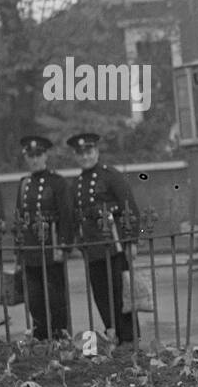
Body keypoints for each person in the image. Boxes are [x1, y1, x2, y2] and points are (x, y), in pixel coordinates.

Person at [68, 132, 141, 344]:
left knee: (121, 292)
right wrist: (79, 243)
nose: (85, 157)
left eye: (89, 151)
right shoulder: (77, 183)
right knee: (101, 293)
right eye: (80, 153)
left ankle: (129, 337)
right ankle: (112, 333)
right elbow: (75, 216)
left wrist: (132, 241)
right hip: (92, 247)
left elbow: (130, 208)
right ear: (76, 156)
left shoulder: (111, 175)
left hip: (115, 245)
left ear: (97, 152)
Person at [13, 135, 73, 340]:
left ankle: (59, 332)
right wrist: (18, 251)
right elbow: (19, 218)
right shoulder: (24, 184)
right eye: (30, 156)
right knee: (34, 296)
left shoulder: (57, 182)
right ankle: (41, 332)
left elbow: (67, 216)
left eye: (38, 155)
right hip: (30, 247)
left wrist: (64, 246)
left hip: (51, 244)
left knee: (55, 294)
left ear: (46, 155)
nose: (34, 159)